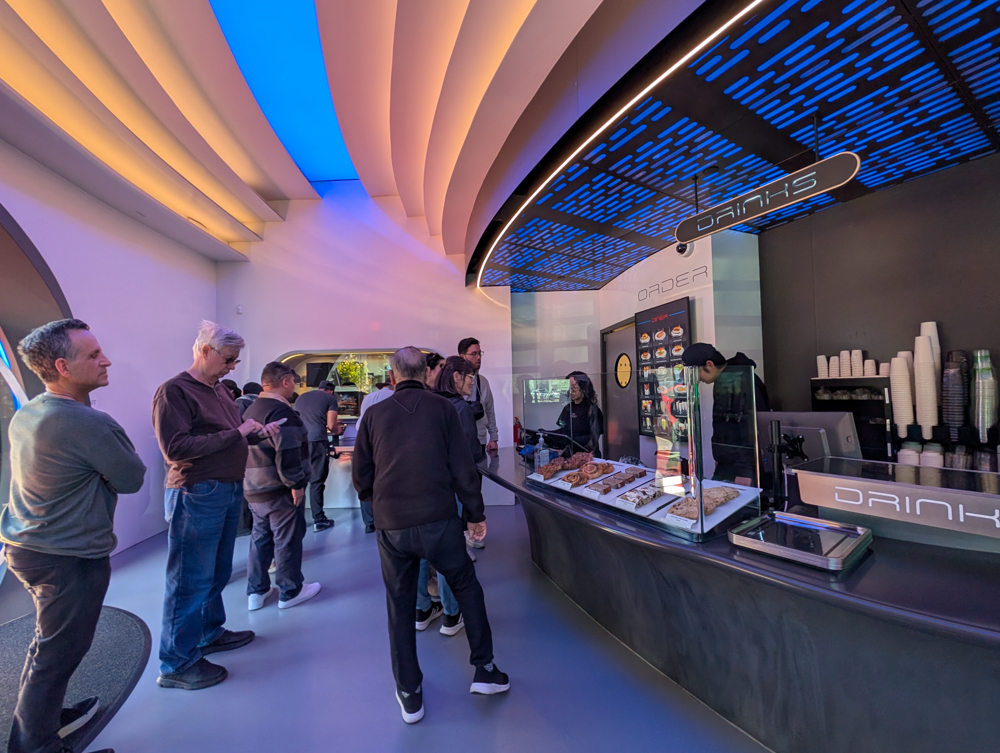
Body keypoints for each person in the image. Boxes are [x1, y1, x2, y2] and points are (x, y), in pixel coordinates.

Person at [1, 319, 146, 753]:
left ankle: (41, 717)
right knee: (58, 651)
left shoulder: (30, 412)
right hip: (67, 556)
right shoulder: (89, 423)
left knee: (50, 645)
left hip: (27, 546)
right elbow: (132, 477)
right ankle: (36, 745)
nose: (107, 361)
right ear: (63, 367)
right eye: (94, 355)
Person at [352, 347, 508, 725]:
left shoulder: (373, 414)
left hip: (392, 527)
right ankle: (485, 670)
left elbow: (361, 476)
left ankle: (409, 693)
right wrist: (475, 515)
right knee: (466, 586)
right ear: (425, 373)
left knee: (399, 603)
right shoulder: (442, 410)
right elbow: (462, 468)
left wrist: (381, 503)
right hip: (439, 519)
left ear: (392, 375)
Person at [152, 321, 282, 691]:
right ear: (204, 350)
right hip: (197, 492)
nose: (231, 368)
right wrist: (237, 434)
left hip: (224, 489)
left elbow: (229, 435)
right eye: (227, 359)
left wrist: (254, 432)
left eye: (235, 361)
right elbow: (175, 449)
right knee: (189, 578)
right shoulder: (175, 391)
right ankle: (176, 662)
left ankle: (209, 631)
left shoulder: (219, 391)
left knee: (216, 571)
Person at [414, 356, 485, 635]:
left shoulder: (427, 405)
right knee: (449, 553)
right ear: (456, 376)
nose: (471, 383)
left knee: (422, 553)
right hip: (450, 491)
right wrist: (474, 511)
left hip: (424, 490)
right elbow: (467, 459)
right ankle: (452, 615)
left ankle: (422, 609)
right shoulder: (459, 409)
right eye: (469, 378)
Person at [243, 362, 321, 611]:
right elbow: (287, 451)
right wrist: (296, 484)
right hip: (280, 489)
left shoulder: (250, 409)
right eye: (293, 381)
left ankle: (256, 591)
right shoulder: (281, 412)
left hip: (254, 488)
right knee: (287, 539)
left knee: (260, 539)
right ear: (286, 381)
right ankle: (291, 590)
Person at [681, 343, 771, 484]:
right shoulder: (725, 379)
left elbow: (749, 428)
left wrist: (744, 470)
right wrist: (720, 457)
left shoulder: (738, 379)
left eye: (696, 372)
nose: (697, 379)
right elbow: (725, 424)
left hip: (743, 467)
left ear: (709, 364)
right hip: (728, 464)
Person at [458, 338, 497, 551]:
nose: (478, 357)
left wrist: (494, 437)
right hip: (458, 446)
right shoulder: (451, 382)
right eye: (474, 353)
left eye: (480, 353)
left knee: (474, 491)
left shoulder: (482, 382)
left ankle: (470, 534)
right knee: (460, 493)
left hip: (479, 444)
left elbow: (489, 410)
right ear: (462, 355)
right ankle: (461, 540)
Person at [293, 379, 340, 532]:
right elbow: (332, 425)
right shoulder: (330, 399)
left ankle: (297, 521)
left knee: (300, 481)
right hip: (318, 441)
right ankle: (319, 520)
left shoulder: (301, 397)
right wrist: (339, 431)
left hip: (300, 442)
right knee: (317, 481)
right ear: (331, 391)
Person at [356, 376, 394, 534]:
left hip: (366, 440)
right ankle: (386, 517)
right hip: (385, 442)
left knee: (367, 478)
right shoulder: (393, 396)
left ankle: (369, 522)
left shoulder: (368, 397)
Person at [555, 371, 605, 456]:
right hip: (570, 455)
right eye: (569, 388)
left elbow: (593, 441)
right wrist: (545, 435)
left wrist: (571, 439)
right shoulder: (568, 408)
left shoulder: (592, 409)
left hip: (587, 457)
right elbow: (563, 431)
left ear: (584, 388)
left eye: (574, 388)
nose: (571, 391)